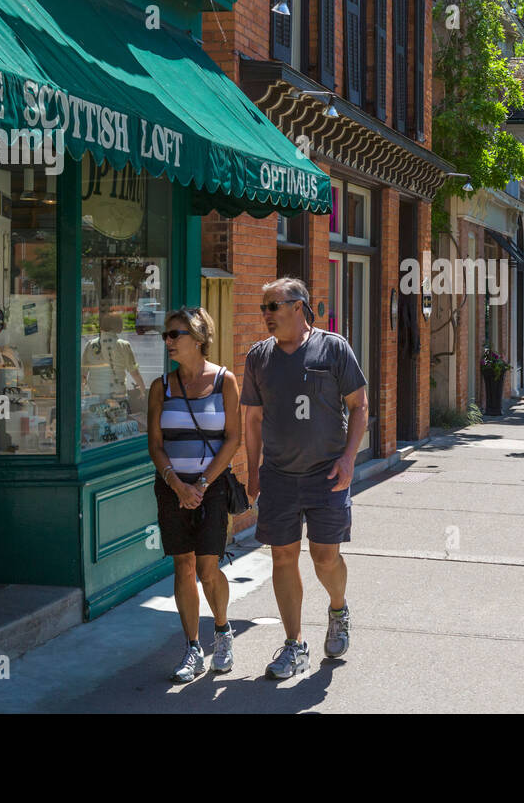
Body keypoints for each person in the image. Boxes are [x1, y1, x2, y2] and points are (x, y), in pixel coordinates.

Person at [242, 277, 368, 679]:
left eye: (273, 306)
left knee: (324, 556)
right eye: (264, 307)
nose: (266, 315)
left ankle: (338, 608)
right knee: (281, 555)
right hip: (278, 475)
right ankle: (294, 644)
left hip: (327, 472)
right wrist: (253, 471)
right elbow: (253, 418)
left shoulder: (333, 348)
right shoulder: (258, 357)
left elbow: (359, 405)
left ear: (298, 307)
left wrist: (349, 459)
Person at [146, 306, 242, 683]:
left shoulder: (224, 381)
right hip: (172, 488)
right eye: (167, 335)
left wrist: (200, 485)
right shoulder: (161, 387)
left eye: (175, 335)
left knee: (207, 568)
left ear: (199, 339)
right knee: (183, 567)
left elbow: (233, 439)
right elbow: (155, 444)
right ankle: (191, 647)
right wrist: (176, 484)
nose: (168, 341)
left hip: (211, 489)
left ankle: (221, 631)